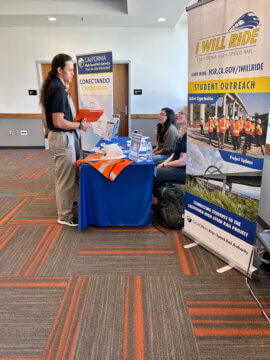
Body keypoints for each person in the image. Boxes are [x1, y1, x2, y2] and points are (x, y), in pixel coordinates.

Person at [39, 53, 90, 227]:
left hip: (65, 138)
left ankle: (66, 205)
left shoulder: (56, 87)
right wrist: (79, 126)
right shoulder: (58, 90)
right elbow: (58, 122)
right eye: (69, 70)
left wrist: (76, 123)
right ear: (59, 70)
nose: (73, 73)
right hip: (62, 139)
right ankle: (64, 215)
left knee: (66, 174)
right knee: (65, 178)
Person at [153, 107, 187, 194]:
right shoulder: (182, 131)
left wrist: (164, 164)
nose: (178, 115)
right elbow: (174, 154)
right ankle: (160, 197)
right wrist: (163, 164)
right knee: (155, 166)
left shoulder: (185, 135)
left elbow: (182, 161)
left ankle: (159, 199)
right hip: (174, 161)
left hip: (183, 169)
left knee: (155, 171)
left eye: (181, 113)